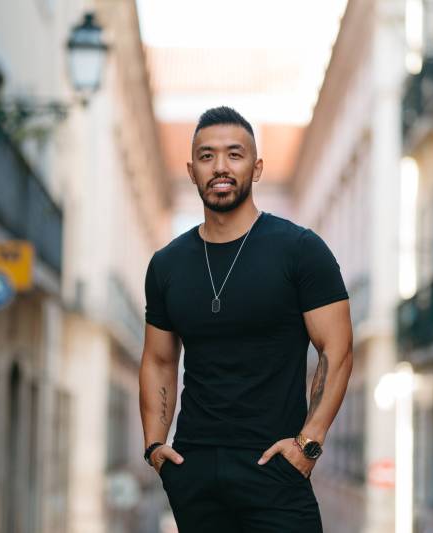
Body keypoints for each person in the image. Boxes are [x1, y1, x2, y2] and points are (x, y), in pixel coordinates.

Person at [139, 106, 354, 532]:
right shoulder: (167, 265)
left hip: (276, 466)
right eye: (207, 156)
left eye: (234, 155)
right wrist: (154, 447)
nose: (220, 167)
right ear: (191, 169)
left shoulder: (300, 250)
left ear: (256, 168)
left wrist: (308, 445)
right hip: (194, 469)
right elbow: (159, 360)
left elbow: (338, 348)